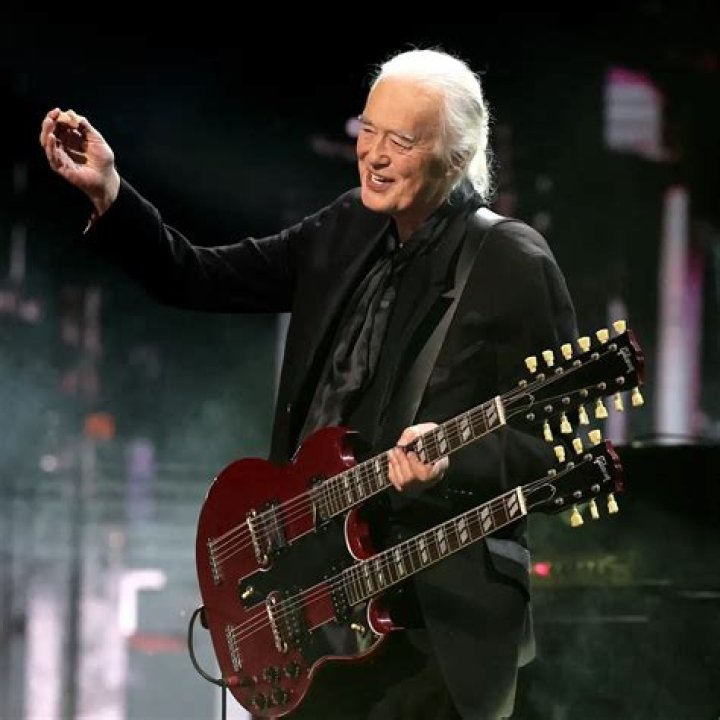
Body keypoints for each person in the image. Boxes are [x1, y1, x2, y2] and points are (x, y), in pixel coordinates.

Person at [40, 47, 577, 719]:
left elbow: (555, 443)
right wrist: (110, 193)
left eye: (401, 141)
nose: (374, 155)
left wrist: (450, 465)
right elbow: (197, 276)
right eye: (369, 132)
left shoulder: (510, 260)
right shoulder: (345, 227)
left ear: (456, 152)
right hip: (314, 607)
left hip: (431, 622)